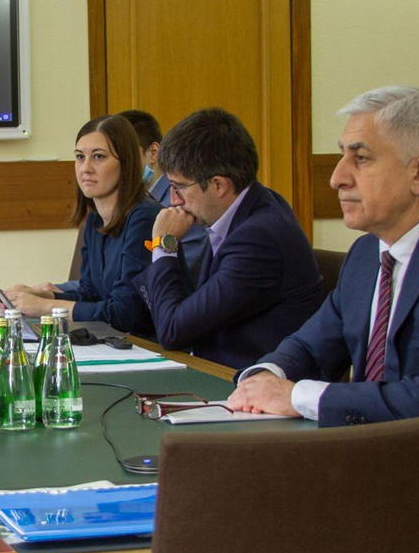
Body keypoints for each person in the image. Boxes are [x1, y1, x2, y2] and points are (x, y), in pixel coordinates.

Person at [229, 87, 419, 426]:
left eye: (361, 158)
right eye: (341, 156)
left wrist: (296, 396)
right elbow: (309, 347)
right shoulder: (367, 252)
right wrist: (264, 377)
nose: (336, 178)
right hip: (356, 448)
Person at [132, 107, 323, 369]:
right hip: (218, 371)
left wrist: (164, 245)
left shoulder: (259, 237)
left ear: (219, 185)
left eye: (178, 187)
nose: (173, 200)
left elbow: (173, 331)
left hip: (248, 384)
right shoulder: (253, 206)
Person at [3, 115, 155, 334]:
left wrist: (45, 307)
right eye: (80, 157)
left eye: (99, 157)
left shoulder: (145, 218)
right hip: (114, 343)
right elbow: (91, 294)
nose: (86, 168)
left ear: (126, 163)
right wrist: (44, 296)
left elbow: (124, 314)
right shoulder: (94, 219)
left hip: (148, 349)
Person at [121, 108, 207, 269]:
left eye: (126, 155)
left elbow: (184, 274)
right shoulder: (122, 204)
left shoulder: (182, 203)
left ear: (153, 152)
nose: (118, 167)